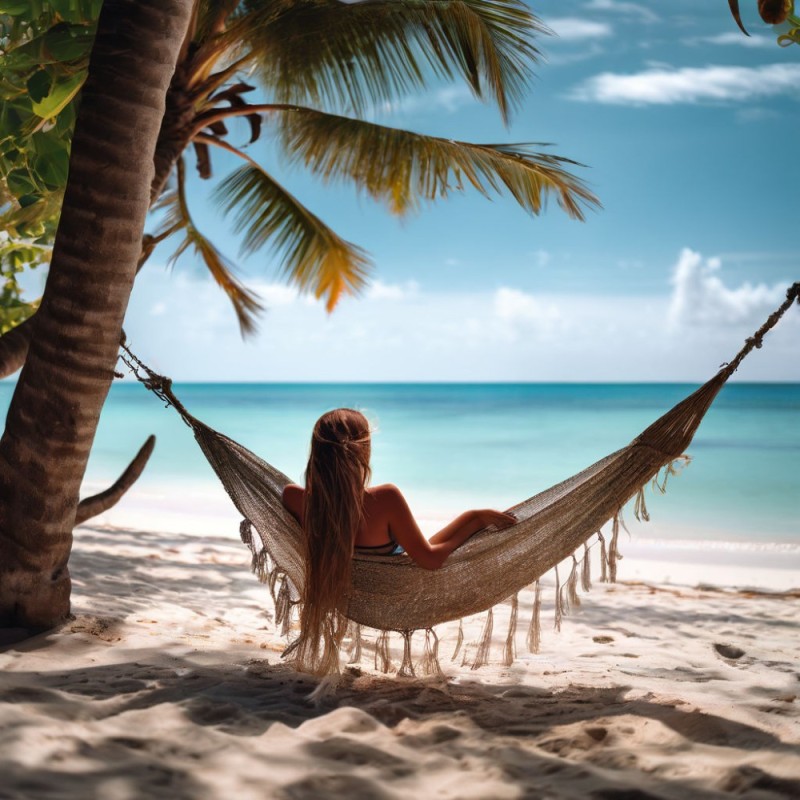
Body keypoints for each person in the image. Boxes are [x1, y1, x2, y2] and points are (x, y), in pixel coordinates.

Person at [281, 407, 515, 673]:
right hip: (400, 587)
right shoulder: (385, 499)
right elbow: (429, 560)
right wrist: (474, 521)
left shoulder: (295, 498)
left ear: (318, 453)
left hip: (347, 591)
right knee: (459, 530)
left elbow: (420, 551)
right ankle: (474, 516)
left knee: (429, 541)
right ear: (362, 451)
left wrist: (468, 518)